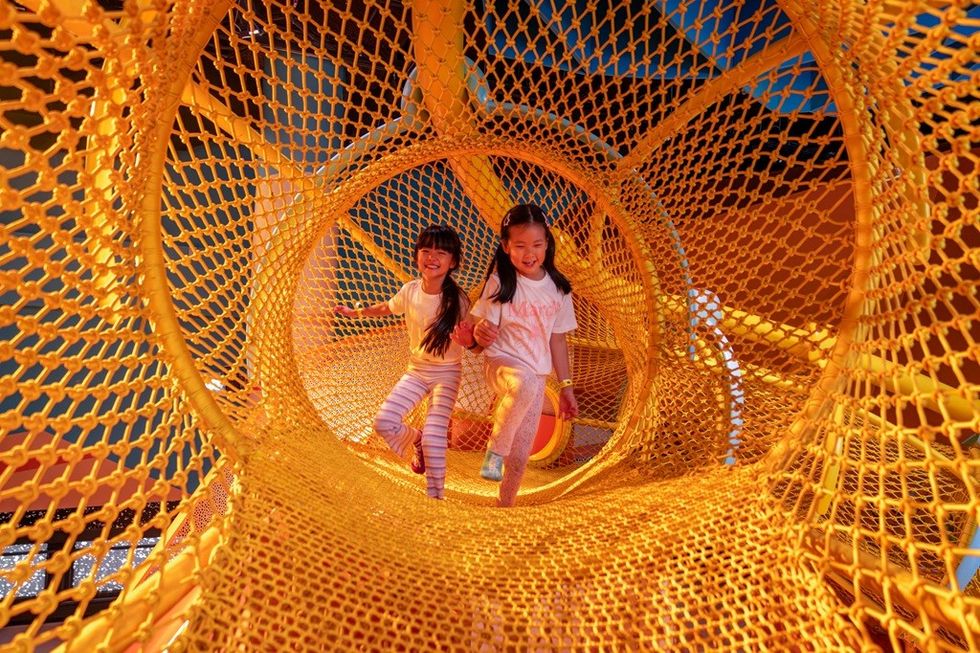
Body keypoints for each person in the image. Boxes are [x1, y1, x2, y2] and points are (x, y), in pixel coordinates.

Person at [452, 204, 578, 507]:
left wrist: (566, 387)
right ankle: (495, 453)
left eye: (536, 244)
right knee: (523, 385)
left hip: (536, 375)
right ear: (507, 246)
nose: (529, 253)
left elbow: (557, 340)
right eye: (520, 246)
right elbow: (482, 331)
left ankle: (504, 506)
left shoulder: (559, 289)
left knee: (521, 455)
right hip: (502, 364)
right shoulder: (501, 282)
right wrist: (479, 333)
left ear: (547, 244)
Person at [334, 224, 467, 500]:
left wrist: (473, 339)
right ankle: (416, 439)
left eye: (441, 253)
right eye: (426, 250)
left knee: (435, 437)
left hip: (447, 374)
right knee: (383, 422)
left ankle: (435, 498)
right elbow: (387, 307)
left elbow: (473, 334)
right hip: (417, 371)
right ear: (417, 255)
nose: (432, 257)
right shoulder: (410, 291)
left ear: (452, 262)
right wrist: (356, 313)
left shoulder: (459, 300)